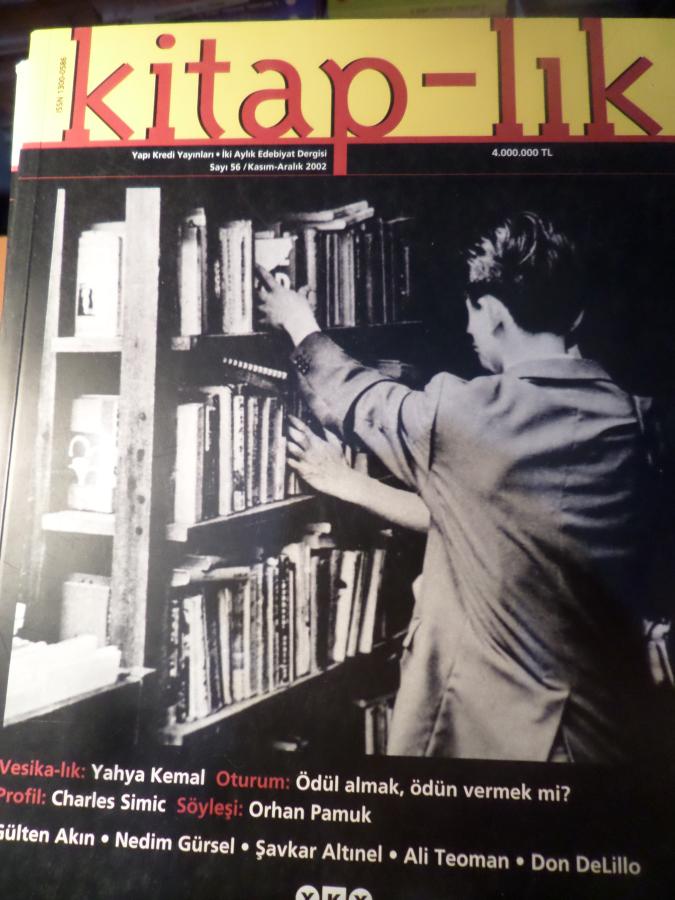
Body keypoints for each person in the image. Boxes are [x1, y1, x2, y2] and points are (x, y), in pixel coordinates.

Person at [256, 211, 654, 763]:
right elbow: (496, 522)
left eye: (471, 313)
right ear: (577, 314)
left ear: (492, 311)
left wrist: (299, 321)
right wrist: (352, 484)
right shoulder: (637, 421)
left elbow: (359, 399)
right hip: (608, 742)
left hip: (503, 742)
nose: (467, 331)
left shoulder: (468, 415)